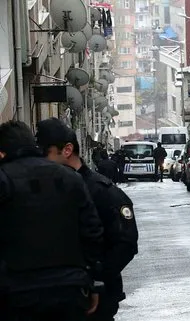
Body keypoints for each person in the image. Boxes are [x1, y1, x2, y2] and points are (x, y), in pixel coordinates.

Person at [36, 118, 139, 321]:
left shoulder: (100, 191)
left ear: (66, 150)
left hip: (95, 300)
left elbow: (125, 242)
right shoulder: (43, 190)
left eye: (44, 154)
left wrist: (95, 279)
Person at [0, 120, 104, 321]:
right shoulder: (70, 177)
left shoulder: (4, 178)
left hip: (17, 292)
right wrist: (92, 281)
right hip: (69, 289)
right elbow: (92, 232)